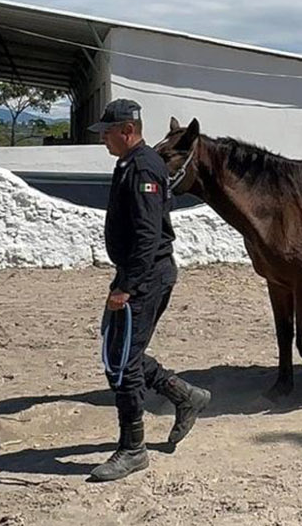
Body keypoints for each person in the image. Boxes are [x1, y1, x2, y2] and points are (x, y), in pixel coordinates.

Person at [86, 98, 211, 483]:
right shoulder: (130, 163)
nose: (104, 139)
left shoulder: (143, 166)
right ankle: (185, 395)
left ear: (128, 131)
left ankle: (133, 450)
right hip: (137, 273)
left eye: (108, 132)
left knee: (122, 363)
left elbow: (147, 235)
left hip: (145, 275)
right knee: (120, 352)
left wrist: (126, 286)